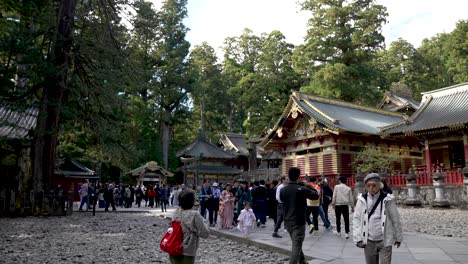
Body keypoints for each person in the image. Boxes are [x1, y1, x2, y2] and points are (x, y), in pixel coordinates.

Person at [353, 173, 403, 264]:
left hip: (384, 240)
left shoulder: (388, 199)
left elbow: (395, 219)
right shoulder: (361, 199)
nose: (371, 188)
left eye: (374, 185)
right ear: (365, 186)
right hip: (368, 241)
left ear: (379, 185)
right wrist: (358, 238)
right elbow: (356, 219)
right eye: (368, 185)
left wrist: (398, 237)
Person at [280, 167, 319, 264]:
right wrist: (309, 185)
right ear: (298, 177)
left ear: (288, 176)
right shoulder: (302, 189)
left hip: (287, 220)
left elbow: (281, 200)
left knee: (296, 242)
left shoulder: (283, 190)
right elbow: (315, 195)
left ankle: (302, 261)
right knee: (296, 245)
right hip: (298, 220)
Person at [170, 190, 210, 264]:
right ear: (192, 201)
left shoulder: (176, 212)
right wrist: (206, 223)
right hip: (187, 250)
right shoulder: (194, 214)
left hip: (173, 247)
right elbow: (205, 234)